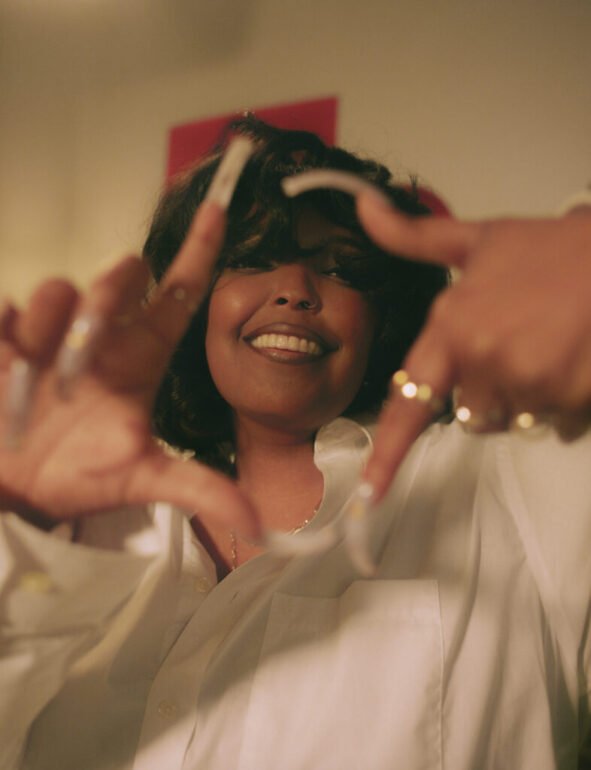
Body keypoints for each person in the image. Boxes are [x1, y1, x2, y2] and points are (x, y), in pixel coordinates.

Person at [0, 115, 590, 770]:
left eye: (340, 269)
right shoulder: (78, 537)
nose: (293, 291)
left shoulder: (500, 486)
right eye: (252, 259)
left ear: (382, 320)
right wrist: (21, 521)